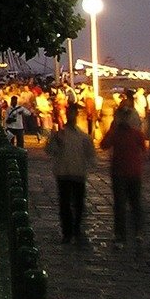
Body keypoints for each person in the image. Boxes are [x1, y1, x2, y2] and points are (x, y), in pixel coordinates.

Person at [46, 102, 96, 244]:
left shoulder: (83, 136)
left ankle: (75, 229)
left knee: (78, 204)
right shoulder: (59, 135)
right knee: (65, 204)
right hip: (64, 173)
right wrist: (55, 140)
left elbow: (91, 155)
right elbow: (50, 151)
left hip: (77, 173)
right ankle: (68, 231)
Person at [101, 109, 148, 250]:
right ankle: (130, 233)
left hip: (126, 173)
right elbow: (104, 145)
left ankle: (128, 233)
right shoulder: (123, 133)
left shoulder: (130, 133)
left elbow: (104, 145)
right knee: (127, 205)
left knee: (128, 205)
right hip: (126, 173)